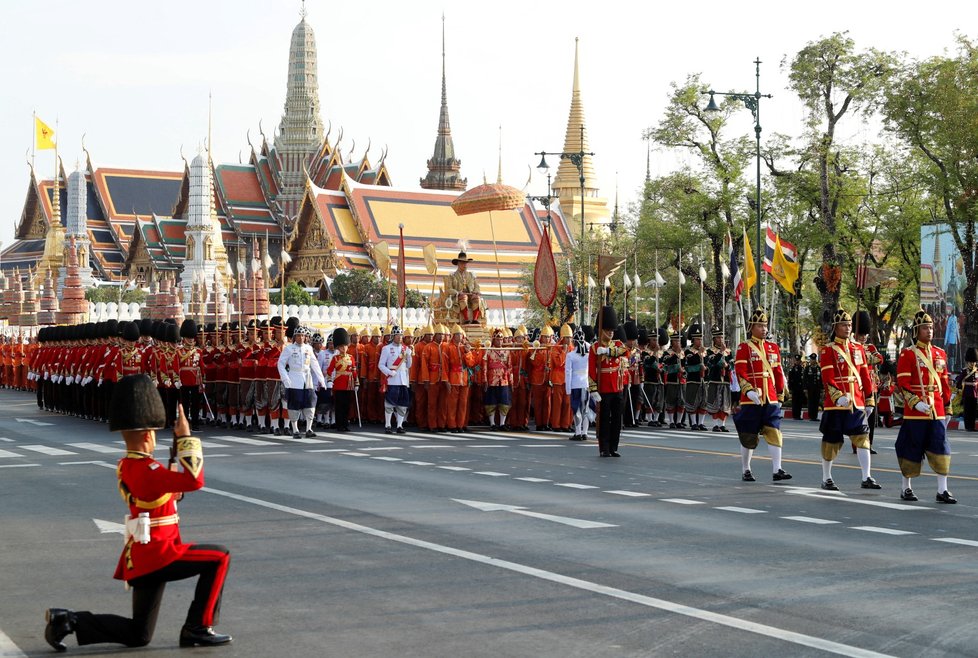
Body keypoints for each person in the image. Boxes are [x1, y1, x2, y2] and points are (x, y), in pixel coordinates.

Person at [43, 375, 231, 651]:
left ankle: (68, 621)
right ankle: (198, 627)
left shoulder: (129, 465)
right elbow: (194, 481)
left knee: (138, 634)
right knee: (220, 556)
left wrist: (172, 485)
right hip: (159, 553)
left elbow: (165, 491)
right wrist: (186, 438)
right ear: (147, 435)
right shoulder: (149, 470)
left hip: (141, 557)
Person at [894, 310, 956, 503]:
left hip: (936, 409)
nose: (929, 331)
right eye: (924, 328)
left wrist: (947, 407)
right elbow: (903, 384)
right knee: (911, 449)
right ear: (916, 331)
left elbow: (944, 384)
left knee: (941, 448)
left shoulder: (940, 354)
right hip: (916, 412)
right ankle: (906, 488)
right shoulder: (908, 354)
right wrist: (915, 403)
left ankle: (942, 490)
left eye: (930, 327)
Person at [817, 309, 881, 491]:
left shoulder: (858, 348)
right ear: (836, 327)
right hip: (836, 405)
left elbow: (864, 376)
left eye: (849, 325)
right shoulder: (828, 350)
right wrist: (837, 397)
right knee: (831, 441)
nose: (847, 328)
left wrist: (869, 400)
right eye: (844, 325)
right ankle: (826, 477)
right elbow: (827, 377)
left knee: (863, 438)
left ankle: (866, 476)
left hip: (857, 401)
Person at [733, 308, 792, 482]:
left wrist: (780, 395)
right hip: (752, 398)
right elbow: (740, 372)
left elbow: (778, 373)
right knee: (749, 435)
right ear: (752, 327)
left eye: (765, 325)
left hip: (771, 397)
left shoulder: (773, 348)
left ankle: (777, 469)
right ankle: (746, 469)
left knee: (775, 432)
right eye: (760, 325)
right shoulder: (744, 347)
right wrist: (748, 391)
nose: (764, 329)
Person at [589, 305, 628, 457]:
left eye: (612, 330)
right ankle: (604, 448)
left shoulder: (616, 345)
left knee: (617, 420)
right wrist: (593, 390)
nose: (611, 333)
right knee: (604, 420)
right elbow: (591, 371)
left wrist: (607, 351)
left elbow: (625, 351)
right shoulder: (594, 348)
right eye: (608, 330)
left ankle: (613, 447)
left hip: (617, 387)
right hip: (604, 389)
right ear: (601, 330)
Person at [277, 325, 326, 439]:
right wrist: (285, 378)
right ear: (295, 336)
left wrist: (321, 380)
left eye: (303, 335)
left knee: (310, 402)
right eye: (298, 335)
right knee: (294, 404)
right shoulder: (289, 349)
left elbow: (314, 364)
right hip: (294, 378)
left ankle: (309, 428)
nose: (301, 338)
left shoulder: (308, 348)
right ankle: (295, 429)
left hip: (307, 379)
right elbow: (280, 364)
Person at [378, 325, 412, 434]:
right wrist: (389, 372)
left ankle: (399, 425)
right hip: (392, 380)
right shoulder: (386, 349)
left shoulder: (405, 349)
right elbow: (381, 365)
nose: (400, 337)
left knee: (402, 404)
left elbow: (409, 365)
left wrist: (410, 355)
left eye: (401, 335)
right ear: (393, 336)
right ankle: (388, 425)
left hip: (403, 381)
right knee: (389, 404)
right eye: (397, 335)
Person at [326, 328, 358, 432]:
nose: (343, 348)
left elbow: (354, 371)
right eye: (341, 346)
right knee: (339, 405)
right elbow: (329, 371)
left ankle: (345, 423)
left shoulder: (351, 357)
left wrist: (356, 383)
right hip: (339, 384)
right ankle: (339, 424)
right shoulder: (335, 358)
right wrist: (330, 380)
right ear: (338, 347)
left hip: (349, 384)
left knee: (347, 405)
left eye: (345, 346)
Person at [443, 244, 483, 324]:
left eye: (465, 263)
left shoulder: (471, 275)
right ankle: (466, 319)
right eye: (462, 263)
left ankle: (474, 319)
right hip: (457, 298)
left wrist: (475, 291)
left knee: (476, 298)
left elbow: (476, 286)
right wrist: (457, 292)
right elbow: (448, 289)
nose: (464, 265)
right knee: (463, 297)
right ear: (458, 264)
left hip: (470, 296)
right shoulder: (452, 276)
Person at [482, 328, 513, 431]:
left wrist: (510, 380)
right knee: (491, 401)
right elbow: (485, 366)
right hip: (492, 379)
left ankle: (502, 423)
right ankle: (492, 423)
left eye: (501, 339)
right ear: (493, 340)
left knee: (504, 401)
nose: (499, 341)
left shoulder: (507, 351)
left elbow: (510, 367)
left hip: (503, 379)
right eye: (497, 340)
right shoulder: (488, 351)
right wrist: (485, 380)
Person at [704, 327, 732, 432]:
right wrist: (720, 353)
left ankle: (723, 424)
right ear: (714, 339)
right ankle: (715, 424)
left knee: (724, 404)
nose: (720, 339)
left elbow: (732, 365)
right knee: (714, 403)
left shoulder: (728, 352)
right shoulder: (709, 351)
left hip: (725, 380)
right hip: (714, 379)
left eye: (721, 337)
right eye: (718, 338)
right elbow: (712, 363)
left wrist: (727, 365)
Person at [566, 327, 591, 440]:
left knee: (577, 409)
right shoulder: (589, 353)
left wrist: (568, 388)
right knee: (585, 408)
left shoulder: (571, 355)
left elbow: (568, 372)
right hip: (586, 384)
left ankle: (578, 432)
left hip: (575, 384)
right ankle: (585, 432)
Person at [955, 348, 977, 432]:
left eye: (974, 362)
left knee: (973, 411)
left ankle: (972, 426)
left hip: (975, 393)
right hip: (967, 393)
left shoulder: (976, 371)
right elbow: (959, 381)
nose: (972, 363)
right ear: (968, 362)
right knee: (967, 411)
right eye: (971, 362)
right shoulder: (965, 371)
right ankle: (968, 426)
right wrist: (961, 388)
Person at [787, 353, 806, 422]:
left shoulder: (803, 369)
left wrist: (804, 387)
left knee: (799, 402)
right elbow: (790, 379)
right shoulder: (792, 369)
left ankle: (798, 415)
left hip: (800, 388)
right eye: (796, 360)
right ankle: (795, 415)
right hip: (794, 388)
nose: (797, 362)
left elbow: (804, 379)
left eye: (798, 361)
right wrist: (790, 388)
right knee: (795, 402)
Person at [804, 354, 822, 421]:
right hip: (810, 388)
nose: (813, 361)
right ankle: (811, 416)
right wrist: (805, 388)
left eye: (814, 359)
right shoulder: (807, 368)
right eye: (812, 359)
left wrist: (822, 388)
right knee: (811, 402)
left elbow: (820, 379)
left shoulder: (818, 368)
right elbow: (805, 379)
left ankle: (815, 416)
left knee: (816, 402)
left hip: (817, 388)